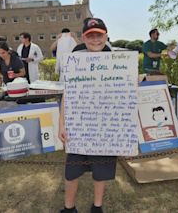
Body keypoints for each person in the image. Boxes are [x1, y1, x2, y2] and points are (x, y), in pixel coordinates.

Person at [59, 17, 115, 213]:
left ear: (105, 35)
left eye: (99, 35)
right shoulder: (76, 54)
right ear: (83, 37)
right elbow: (67, 92)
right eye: (90, 36)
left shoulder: (113, 57)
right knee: (72, 170)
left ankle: (97, 207)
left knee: (101, 171)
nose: (95, 40)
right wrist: (61, 124)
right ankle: (69, 208)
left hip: (105, 125)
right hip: (79, 124)